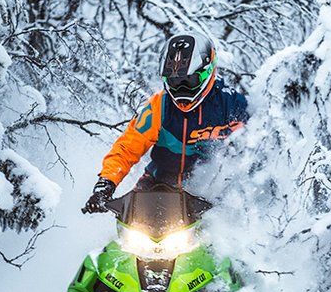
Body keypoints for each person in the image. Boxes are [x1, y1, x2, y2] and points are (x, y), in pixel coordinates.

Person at [82, 32, 248, 213]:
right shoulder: (160, 105)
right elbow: (129, 146)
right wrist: (106, 183)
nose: (181, 88)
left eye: (189, 81)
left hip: (205, 197)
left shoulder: (232, 105)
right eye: (174, 81)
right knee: (125, 233)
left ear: (208, 71)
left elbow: (249, 152)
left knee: (221, 234)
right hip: (156, 187)